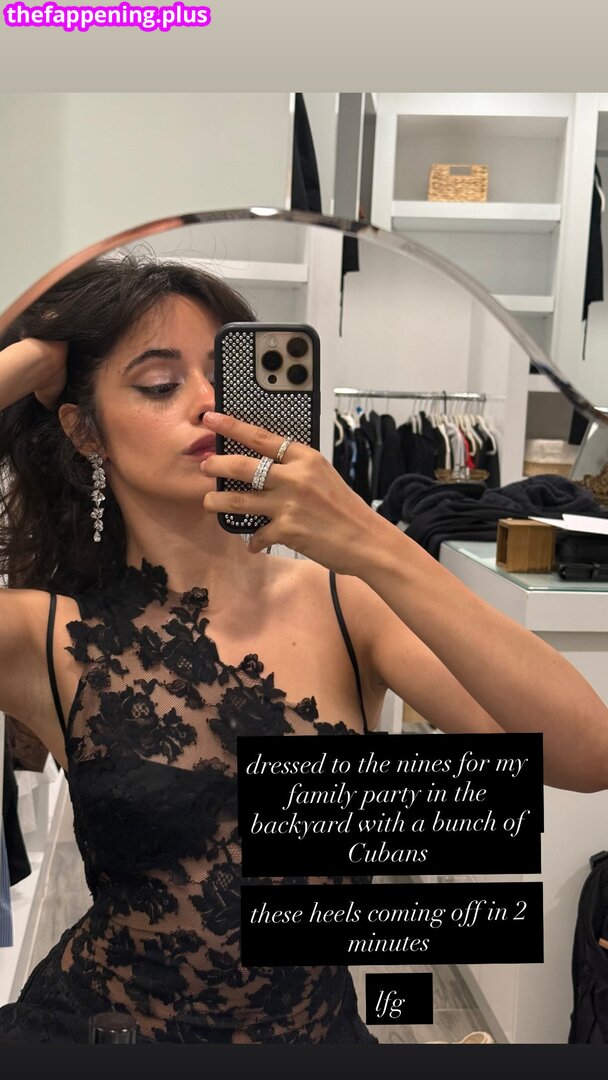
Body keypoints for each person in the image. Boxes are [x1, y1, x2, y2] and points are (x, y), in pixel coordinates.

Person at [0, 254, 606, 1045]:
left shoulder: (346, 605)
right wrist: (26, 358)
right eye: (159, 383)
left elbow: (588, 755)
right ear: (86, 431)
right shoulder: (44, 635)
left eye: (229, 376)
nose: (209, 402)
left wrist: (374, 543)